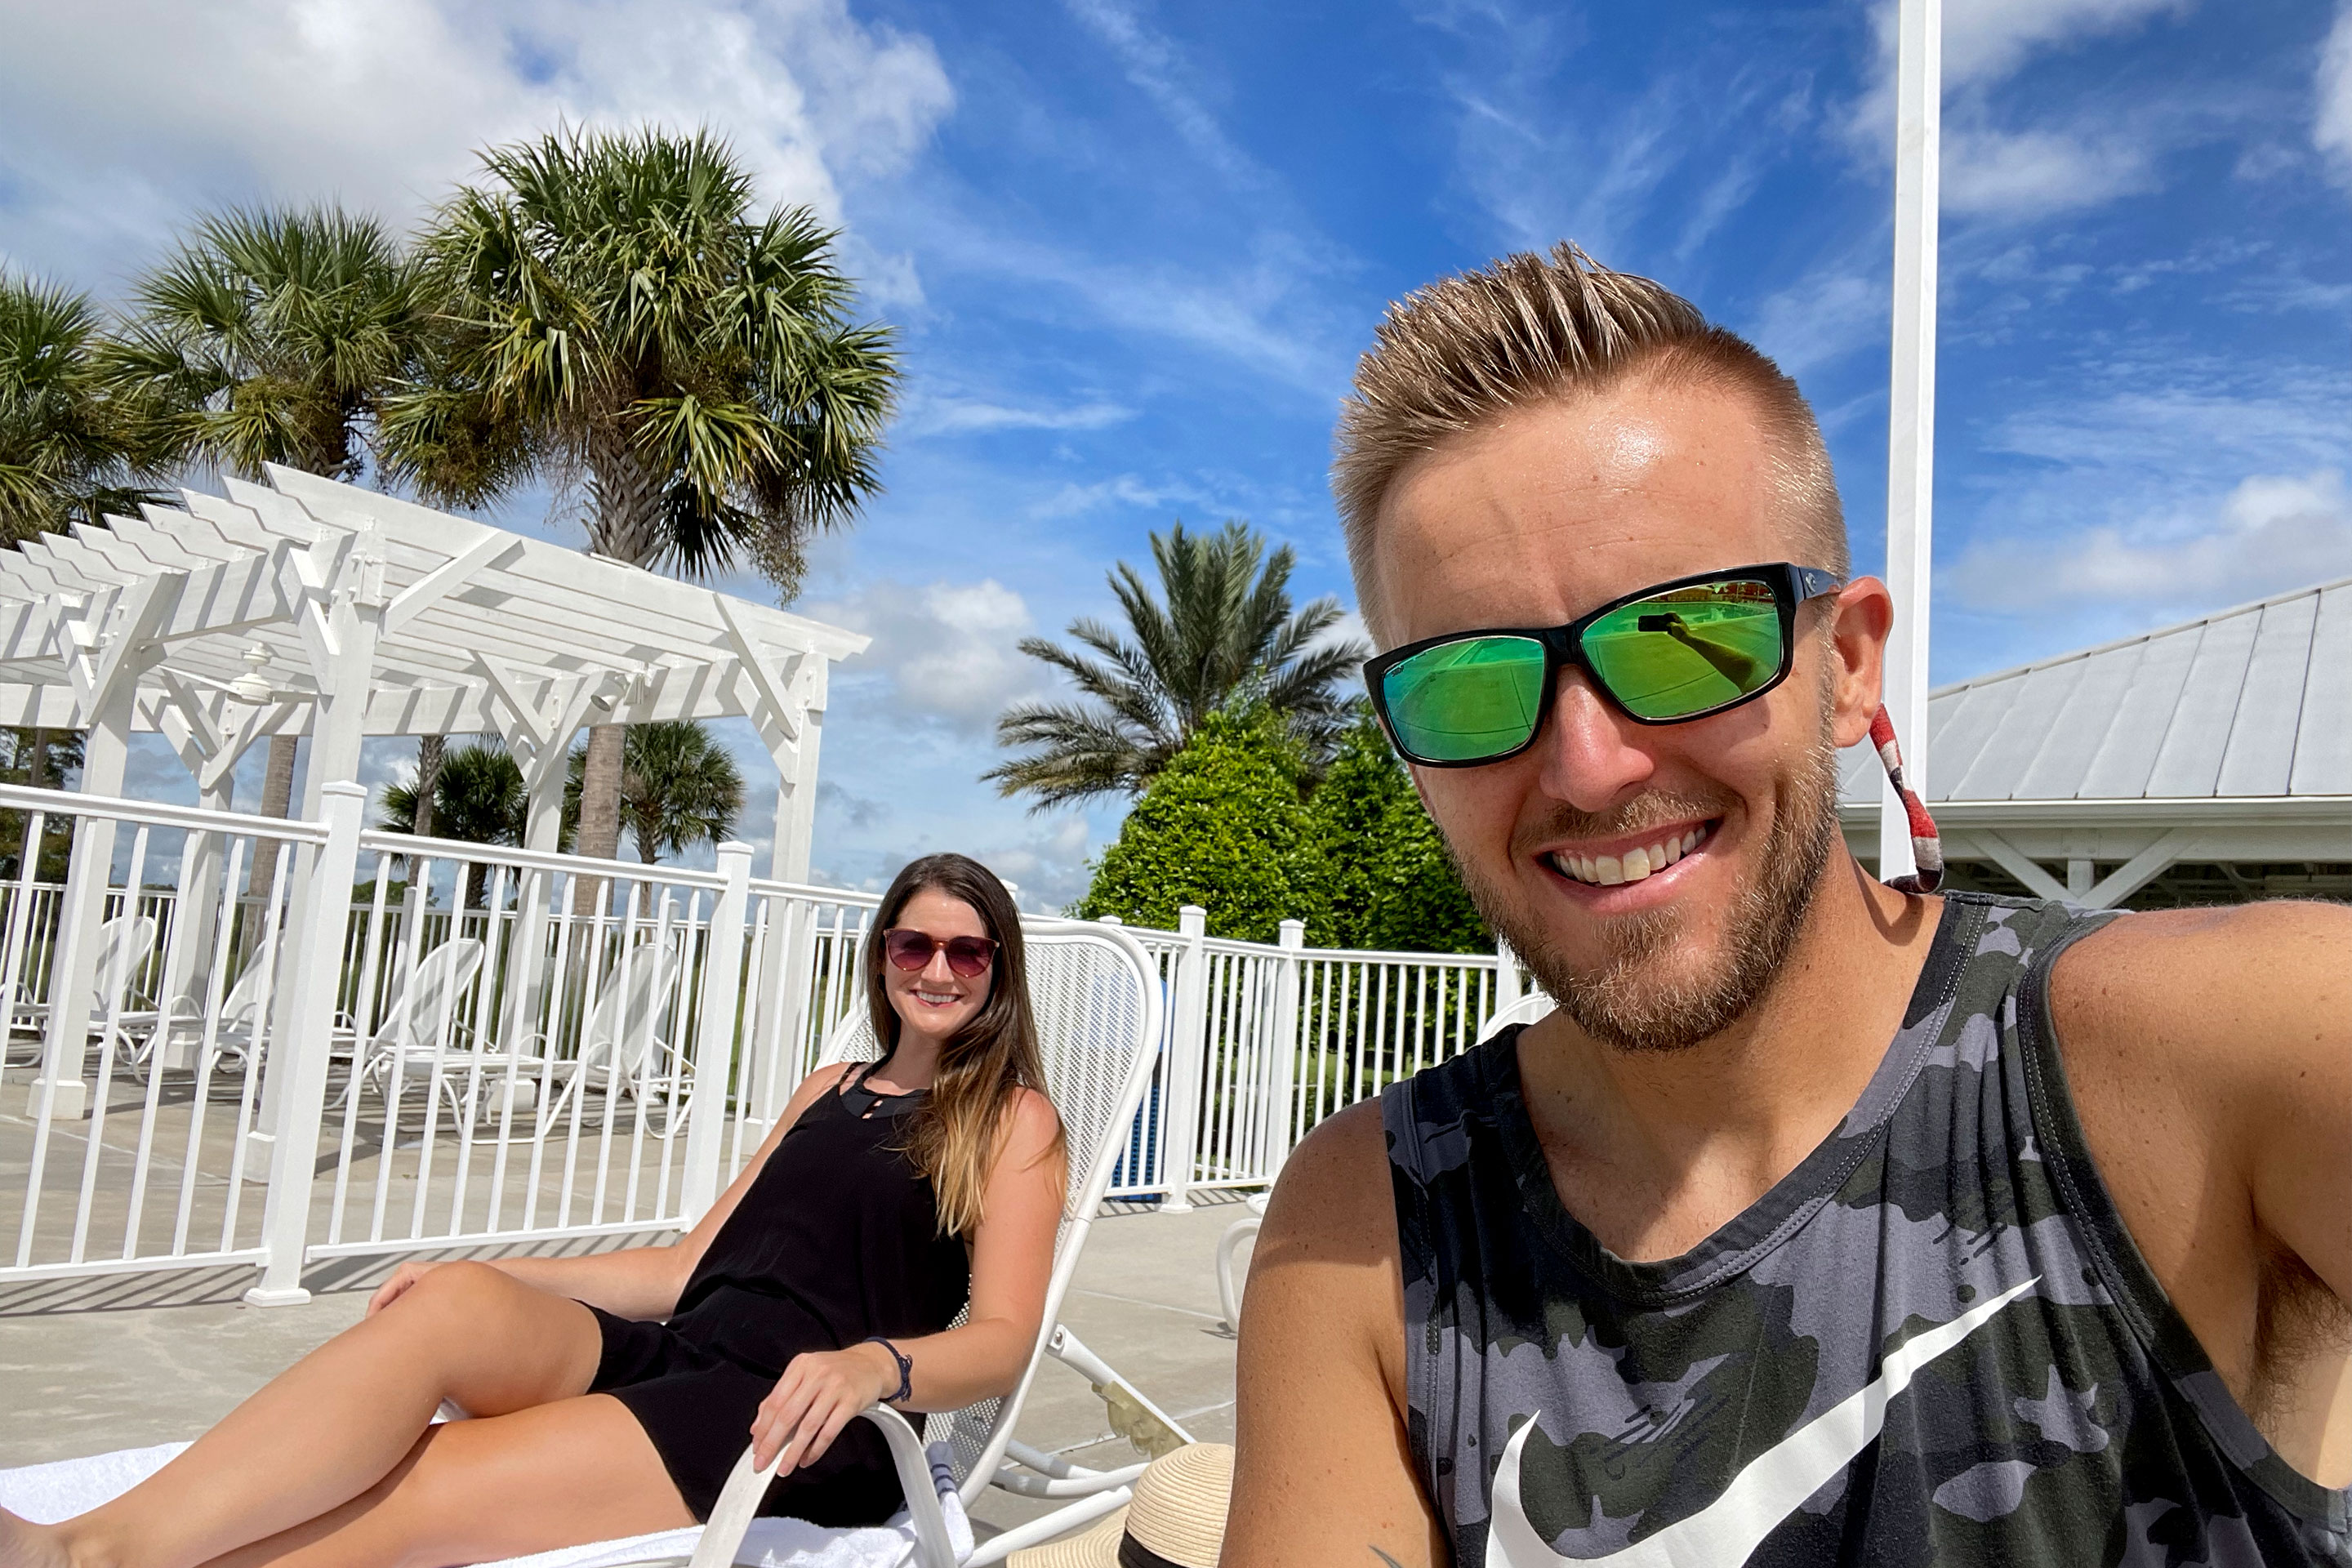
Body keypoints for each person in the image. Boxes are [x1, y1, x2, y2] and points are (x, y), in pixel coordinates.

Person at [1226, 243, 2350, 1566]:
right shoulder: (1368, 1225)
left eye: (1688, 641)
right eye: (1471, 685)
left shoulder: (2228, 1047)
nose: (1589, 767)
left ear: (1850, 668)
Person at [0, 852, 1065, 1568]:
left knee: (427, 1485)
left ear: (997, 970)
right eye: (911, 945)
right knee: (458, 1300)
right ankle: (97, 1546)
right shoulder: (825, 1087)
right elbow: (689, 1265)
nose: (935, 969)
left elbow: (1005, 1340)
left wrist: (875, 1364)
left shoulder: (1014, 1121)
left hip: (793, 1424)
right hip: (686, 1348)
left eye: (966, 952)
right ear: (882, 956)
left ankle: (85, 1553)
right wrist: (512, 1277)